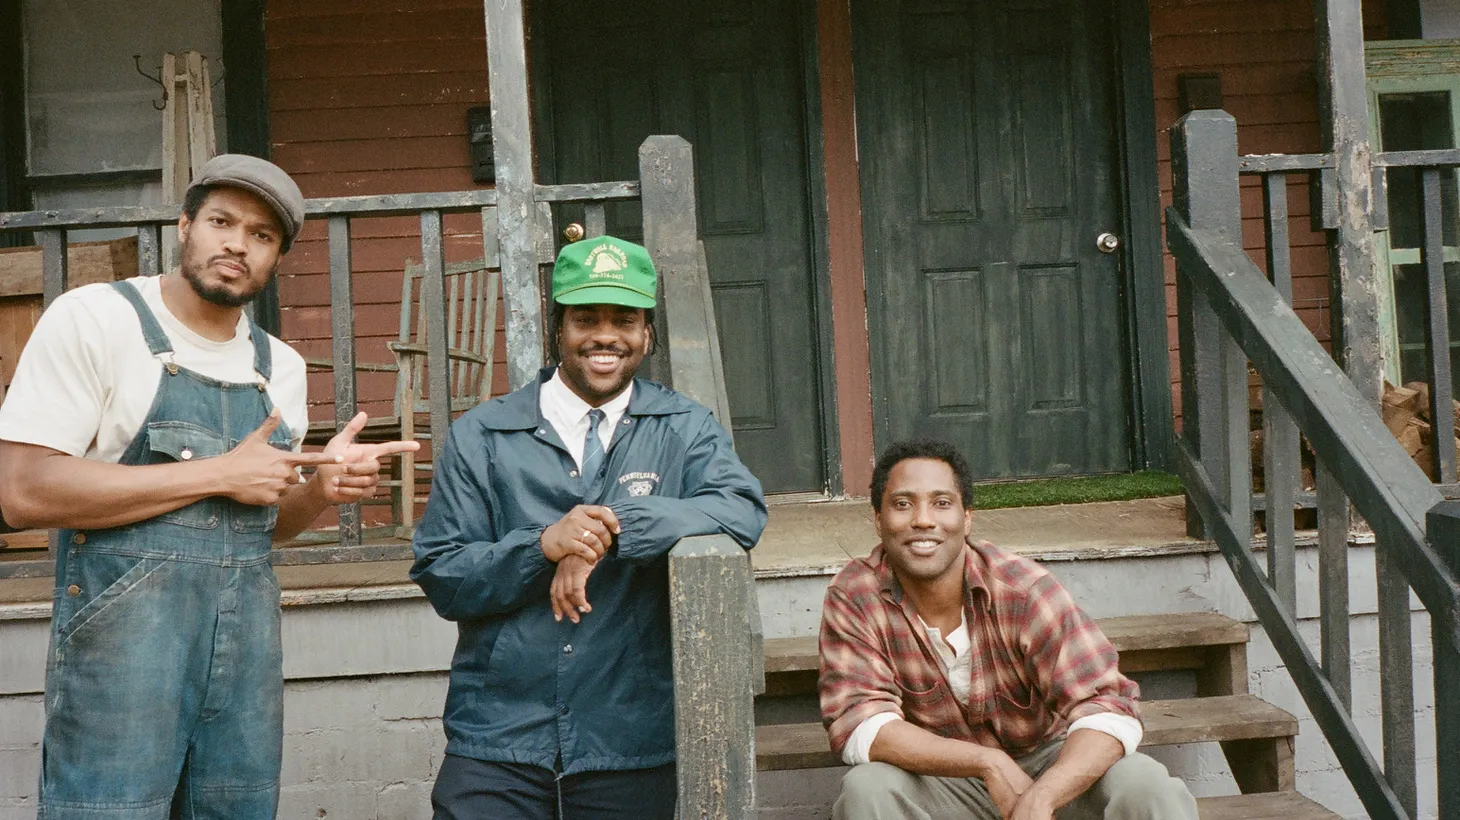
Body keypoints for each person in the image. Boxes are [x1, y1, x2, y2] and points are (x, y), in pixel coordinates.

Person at [0, 154, 418, 819]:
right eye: (222, 221)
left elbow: (266, 523)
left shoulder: (276, 366)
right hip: (122, 657)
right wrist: (219, 472)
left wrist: (320, 489)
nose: (237, 244)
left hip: (242, 662)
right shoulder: (96, 321)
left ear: (276, 257)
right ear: (186, 224)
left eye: (261, 235)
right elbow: (23, 492)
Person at [410, 234, 767, 819]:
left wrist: (611, 528)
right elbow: (444, 573)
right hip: (499, 736)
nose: (606, 335)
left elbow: (741, 508)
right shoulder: (484, 435)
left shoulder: (683, 428)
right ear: (558, 329)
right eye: (586, 318)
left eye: (624, 319)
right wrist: (543, 546)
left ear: (647, 333)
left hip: (626, 738)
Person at [818, 439, 1199, 820]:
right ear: (878, 518)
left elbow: (1108, 706)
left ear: (966, 517)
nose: (922, 520)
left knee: (1144, 783)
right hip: (943, 782)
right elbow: (860, 723)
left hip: (1050, 766)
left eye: (942, 503)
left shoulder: (1023, 589)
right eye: (902, 504)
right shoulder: (856, 596)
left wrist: (1044, 795)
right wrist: (987, 762)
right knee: (866, 790)